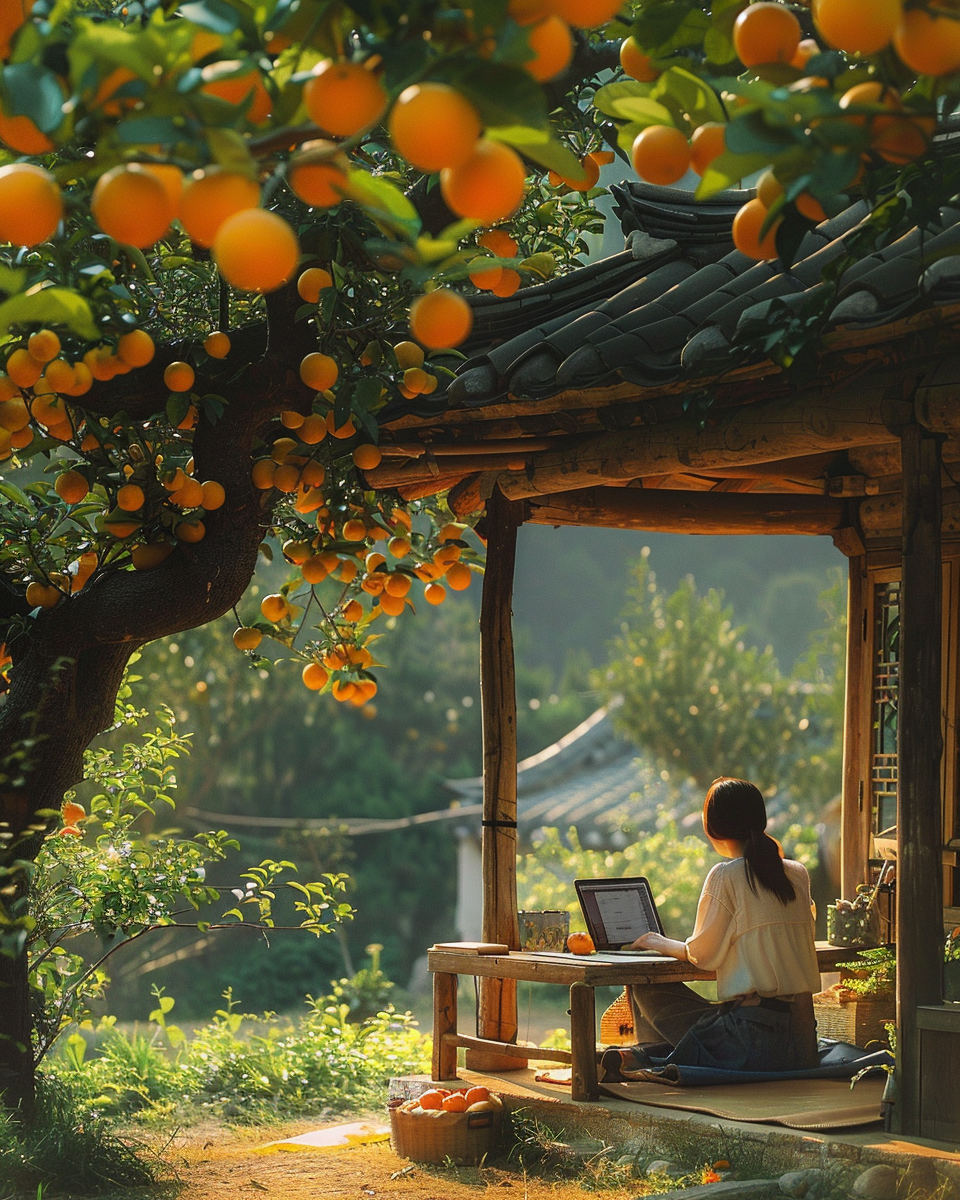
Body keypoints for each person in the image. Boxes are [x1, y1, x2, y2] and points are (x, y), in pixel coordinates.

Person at [624, 776, 822, 1073]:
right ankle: (652, 1060)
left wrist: (655, 941)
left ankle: (648, 1064)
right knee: (703, 1022)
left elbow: (703, 955)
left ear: (711, 827)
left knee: (643, 986)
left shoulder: (726, 876)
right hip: (796, 1041)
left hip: (747, 1041)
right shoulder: (797, 873)